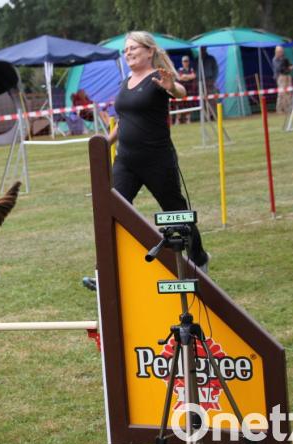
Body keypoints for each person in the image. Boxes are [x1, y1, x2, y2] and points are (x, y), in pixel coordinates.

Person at [107, 31, 210, 271]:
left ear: (149, 51)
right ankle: (111, 271)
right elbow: (124, 121)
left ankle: (199, 258)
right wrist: (104, 142)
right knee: (114, 208)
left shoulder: (159, 78)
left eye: (133, 48)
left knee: (176, 212)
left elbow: (180, 92)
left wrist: (171, 86)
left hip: (157, 160)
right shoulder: (125, 82)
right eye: (126, 50)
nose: (128, 53)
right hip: (126, 161)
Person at [272, 45, 293, 114]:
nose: (281, 52)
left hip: (287, 76)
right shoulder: (275, 59)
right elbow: (279, 68)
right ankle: (280, 109)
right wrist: (287, 68)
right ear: (276, 52)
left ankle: (288, 108)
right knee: (282, 94)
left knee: (288, 93)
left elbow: (290, 65)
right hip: (281, 77)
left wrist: (290, 66)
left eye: (282, 51)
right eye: (279, 51)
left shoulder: (285, 58)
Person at [176, 55, 197, 124]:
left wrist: (185, 76)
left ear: (188, 62)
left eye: (186, 61)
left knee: (189, 104)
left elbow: (193, 76)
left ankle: (188, 119)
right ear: (182, 62)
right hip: (181, 90)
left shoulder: (191, 69)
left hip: (189, 90)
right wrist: (188, 77)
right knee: (179, 104)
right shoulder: (180, 69)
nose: (185, 62)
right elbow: (179, 78)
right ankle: (178, 120)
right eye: (184, 61)